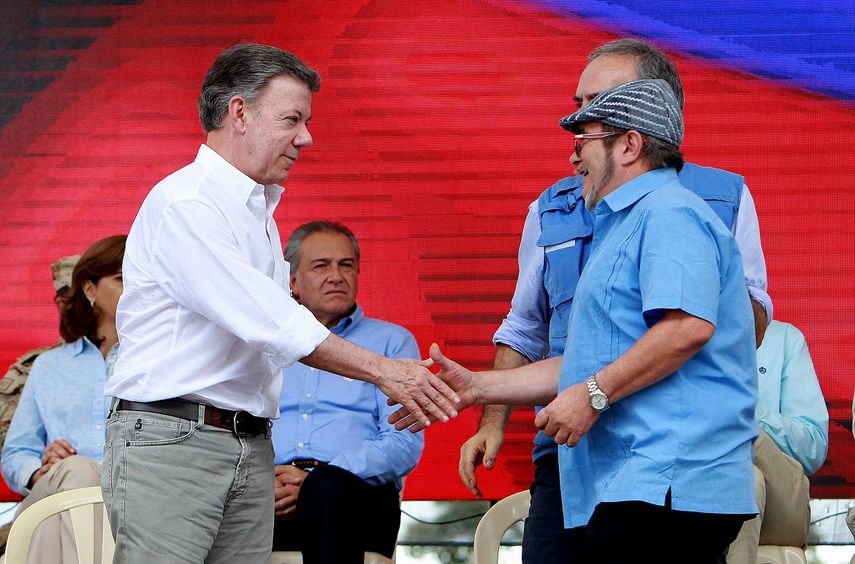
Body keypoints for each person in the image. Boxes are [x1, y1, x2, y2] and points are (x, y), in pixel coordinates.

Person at [103, 43, 458, 564]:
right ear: (239, 113)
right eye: (292, 119)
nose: (306, 137)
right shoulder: (188, 202)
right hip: (174, 441)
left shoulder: (258, 212)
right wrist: (385, 372)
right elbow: (271, 323)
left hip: (248, 443)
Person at [397, 79, 758, 563]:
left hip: (670, 484)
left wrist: (593, 394)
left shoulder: (671, 212)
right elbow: (589, 361)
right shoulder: (626, 222)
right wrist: (479, 387)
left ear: (629, 145)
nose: (573, 158)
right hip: (632, 484)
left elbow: (686, 328)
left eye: (583, 140)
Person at [271, 221, 423, 563]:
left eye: (346, 265)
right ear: (292, 281)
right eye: (321, 265)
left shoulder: (391, 343)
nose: (336, 275)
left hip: (356, 495)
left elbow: (403, 444)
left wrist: (314, 480)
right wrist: (263, 481)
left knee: (328, 490)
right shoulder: (266, 345)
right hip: (271, 496)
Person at [1, 235, 125, 563]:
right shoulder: (50, 366)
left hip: (129, 493)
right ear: (89, 290)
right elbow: (16, 453)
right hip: (56, 489)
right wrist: (39, 471)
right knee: (77, 474)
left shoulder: (157, 359)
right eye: (122, 279)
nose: (136, 288)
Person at [727, 319, 828, 563]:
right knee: (744, 478)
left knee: (743, 468)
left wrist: (743, 410)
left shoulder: (783, 337)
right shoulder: (666, 337)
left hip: (780, 501)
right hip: (689, 481)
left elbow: (812, 448)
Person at [0, 254, 80, 453]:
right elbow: (11, 447)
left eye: (84, 297)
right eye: (67, 298)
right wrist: (43, 460)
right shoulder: (33, 368)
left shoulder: (137, 358)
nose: (75, 306)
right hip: (60, 481)